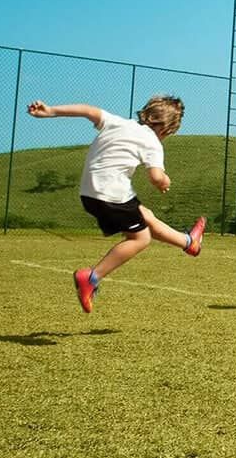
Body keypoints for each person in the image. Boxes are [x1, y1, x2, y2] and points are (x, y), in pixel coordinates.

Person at [26, 96, 207, 313]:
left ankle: (189, 243)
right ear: (167, 129)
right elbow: (156, 177)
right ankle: (92, 277)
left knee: (145, 215)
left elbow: (88, 110)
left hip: (89, 193)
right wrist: (164, 181)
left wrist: (51, 111)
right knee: (140, 238)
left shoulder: (118, 122)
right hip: (111, 194)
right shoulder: (152, 142)